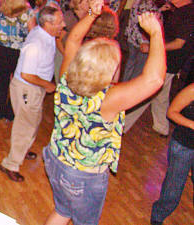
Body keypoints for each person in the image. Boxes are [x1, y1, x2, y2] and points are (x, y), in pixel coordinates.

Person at [43, 0, 166, 223]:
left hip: (56, 158)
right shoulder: (107, 100)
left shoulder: (65, 80)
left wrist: (91, 13)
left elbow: (72, 40)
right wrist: (156, 34)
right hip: (83, 175)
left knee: (62, 211)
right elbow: (155, 79)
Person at [0, 6, 65, 182]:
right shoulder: (36, 45)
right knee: (24, 127)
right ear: (48, 23)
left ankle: (23, 149)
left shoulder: (46, 34)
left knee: (33, 122)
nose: (63, 25)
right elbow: (27, 75)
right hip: (27, 88)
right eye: (60, 22)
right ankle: (10, 164)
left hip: (34, 88)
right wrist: (48, 85)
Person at [123, 0, 194, 136]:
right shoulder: (176, 10)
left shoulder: (189, 14)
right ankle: (162, 127)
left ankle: (122, 125)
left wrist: (151, 48)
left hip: (169, 62)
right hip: (164, 60)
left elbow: (179, 44)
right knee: (160, 96)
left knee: (145, 93)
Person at [150, 83, 194, 225]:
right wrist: (192, 125)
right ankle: (158, 216)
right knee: (174, 186)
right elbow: (171, 112)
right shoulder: (192, 90)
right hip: (184, 145)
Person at [0, 0, 36, 122]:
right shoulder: (27, 10)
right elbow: (32, 32)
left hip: (1, 48)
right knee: (17, 81)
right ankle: (10, 115)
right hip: (20, 50)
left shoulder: (0, 6)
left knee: (2, 80)